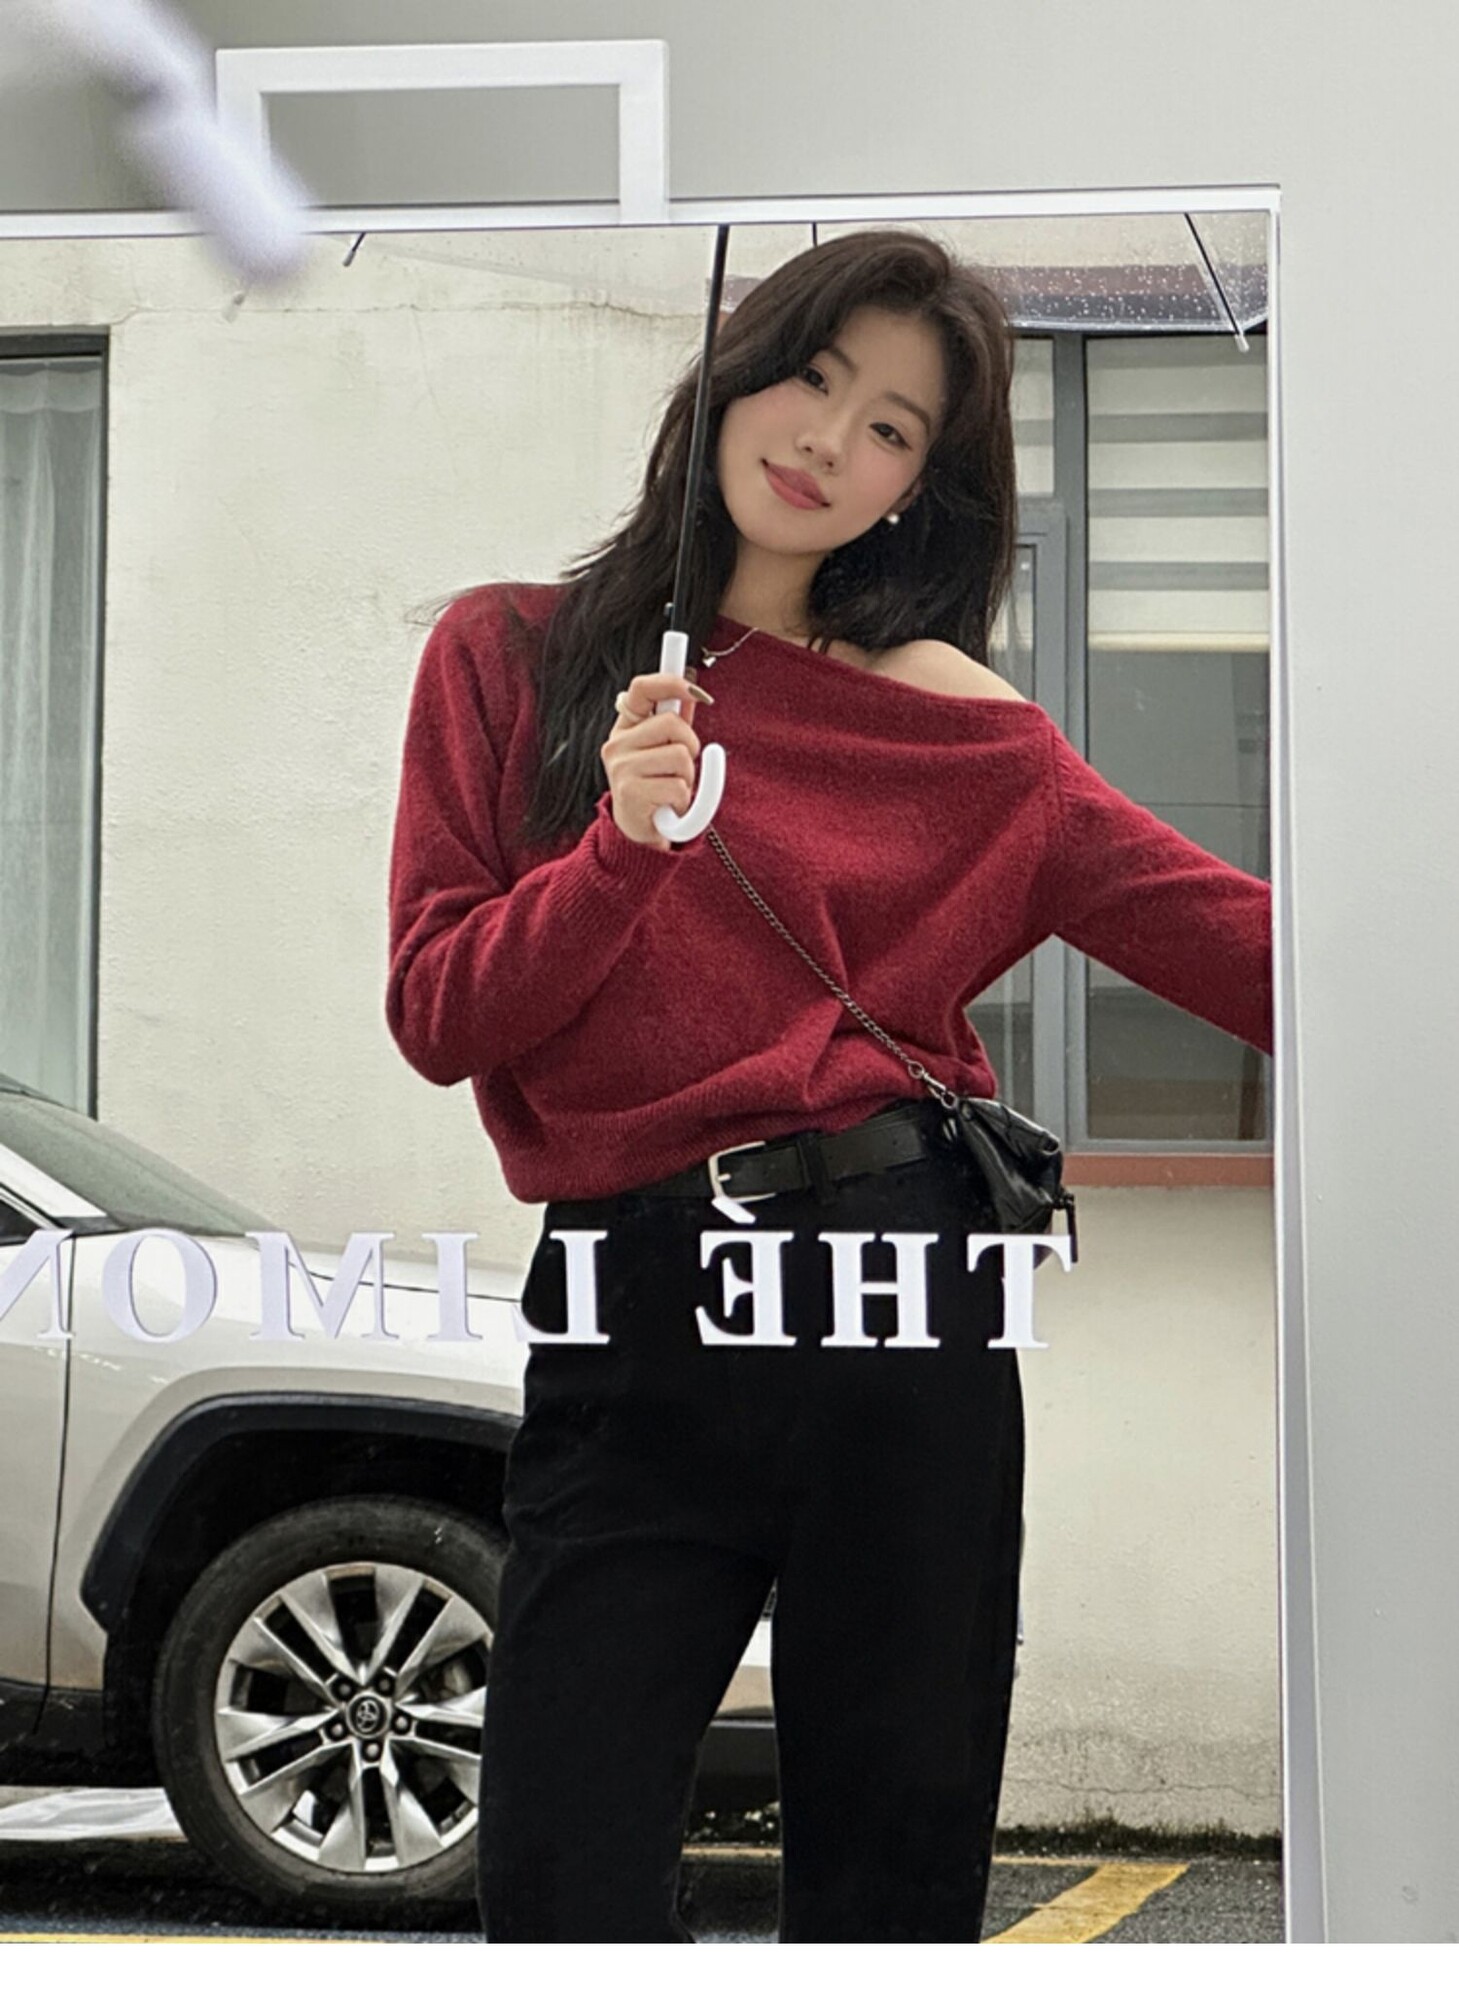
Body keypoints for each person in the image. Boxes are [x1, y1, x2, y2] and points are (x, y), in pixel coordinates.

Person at [385, 229, 1273, 1943]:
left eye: (891, 429)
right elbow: (440, 1014)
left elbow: (1246, 953)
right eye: (813, 376)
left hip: (901, 1291)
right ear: (734, 374)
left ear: (915, 492)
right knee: (560, 1879)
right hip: (632, 1300)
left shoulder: (967, 735)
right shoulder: (509, 657)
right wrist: (620, 848)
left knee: (893, 1880)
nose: (827, 440)